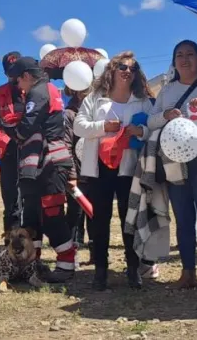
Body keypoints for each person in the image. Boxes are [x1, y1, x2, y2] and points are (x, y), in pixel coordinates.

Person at [148, 40, 197, 292]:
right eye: (179, 55)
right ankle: (187, 272)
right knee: (183, 218)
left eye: (190, 54)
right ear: (173, 62)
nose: (184, 59)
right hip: (174, 162)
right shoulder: (167, 90)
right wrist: (166, 116)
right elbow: (151, 122)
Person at [74, 51, 154, 290]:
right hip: (99, 168)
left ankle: (132, 268)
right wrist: (103, 126)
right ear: (112, 70)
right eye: (121, 67)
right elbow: (79, 126)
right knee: (100, 220)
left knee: (129, 219)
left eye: (132, 68)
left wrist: (140, 132)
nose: (127, 71)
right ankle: (100, 269)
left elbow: (154, 127)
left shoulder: (144, 101)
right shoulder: (95, 97)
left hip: (130, 168)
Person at [3, 57, 77, 282]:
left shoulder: (38, 92)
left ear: (26, 76)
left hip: (49, 162)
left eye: (18, 80)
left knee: (52, 214)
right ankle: (32, 263)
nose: (17, 86)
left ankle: (66, 264)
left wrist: (13, 130)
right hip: (39, 164)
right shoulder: (48, 89)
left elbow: (27, 127)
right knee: (33, 213)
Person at [0, 52, 24, 232]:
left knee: (29, 198)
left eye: (17, 71)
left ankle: (31, 242)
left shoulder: (32, 89)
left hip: (30, 150)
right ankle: (11, 241)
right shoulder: (0, 92)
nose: (14, 76)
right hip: (8, 151)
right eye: (10, 72)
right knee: (10, 198)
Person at [63, 86, 90, 261]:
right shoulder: (69, 114)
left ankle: (94, 251)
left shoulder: (92, 112)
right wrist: (72, 175)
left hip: (94, 170)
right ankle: (70, 252)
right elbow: (67, 147)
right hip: (77, 172)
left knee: (93, 211)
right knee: (75, 212)